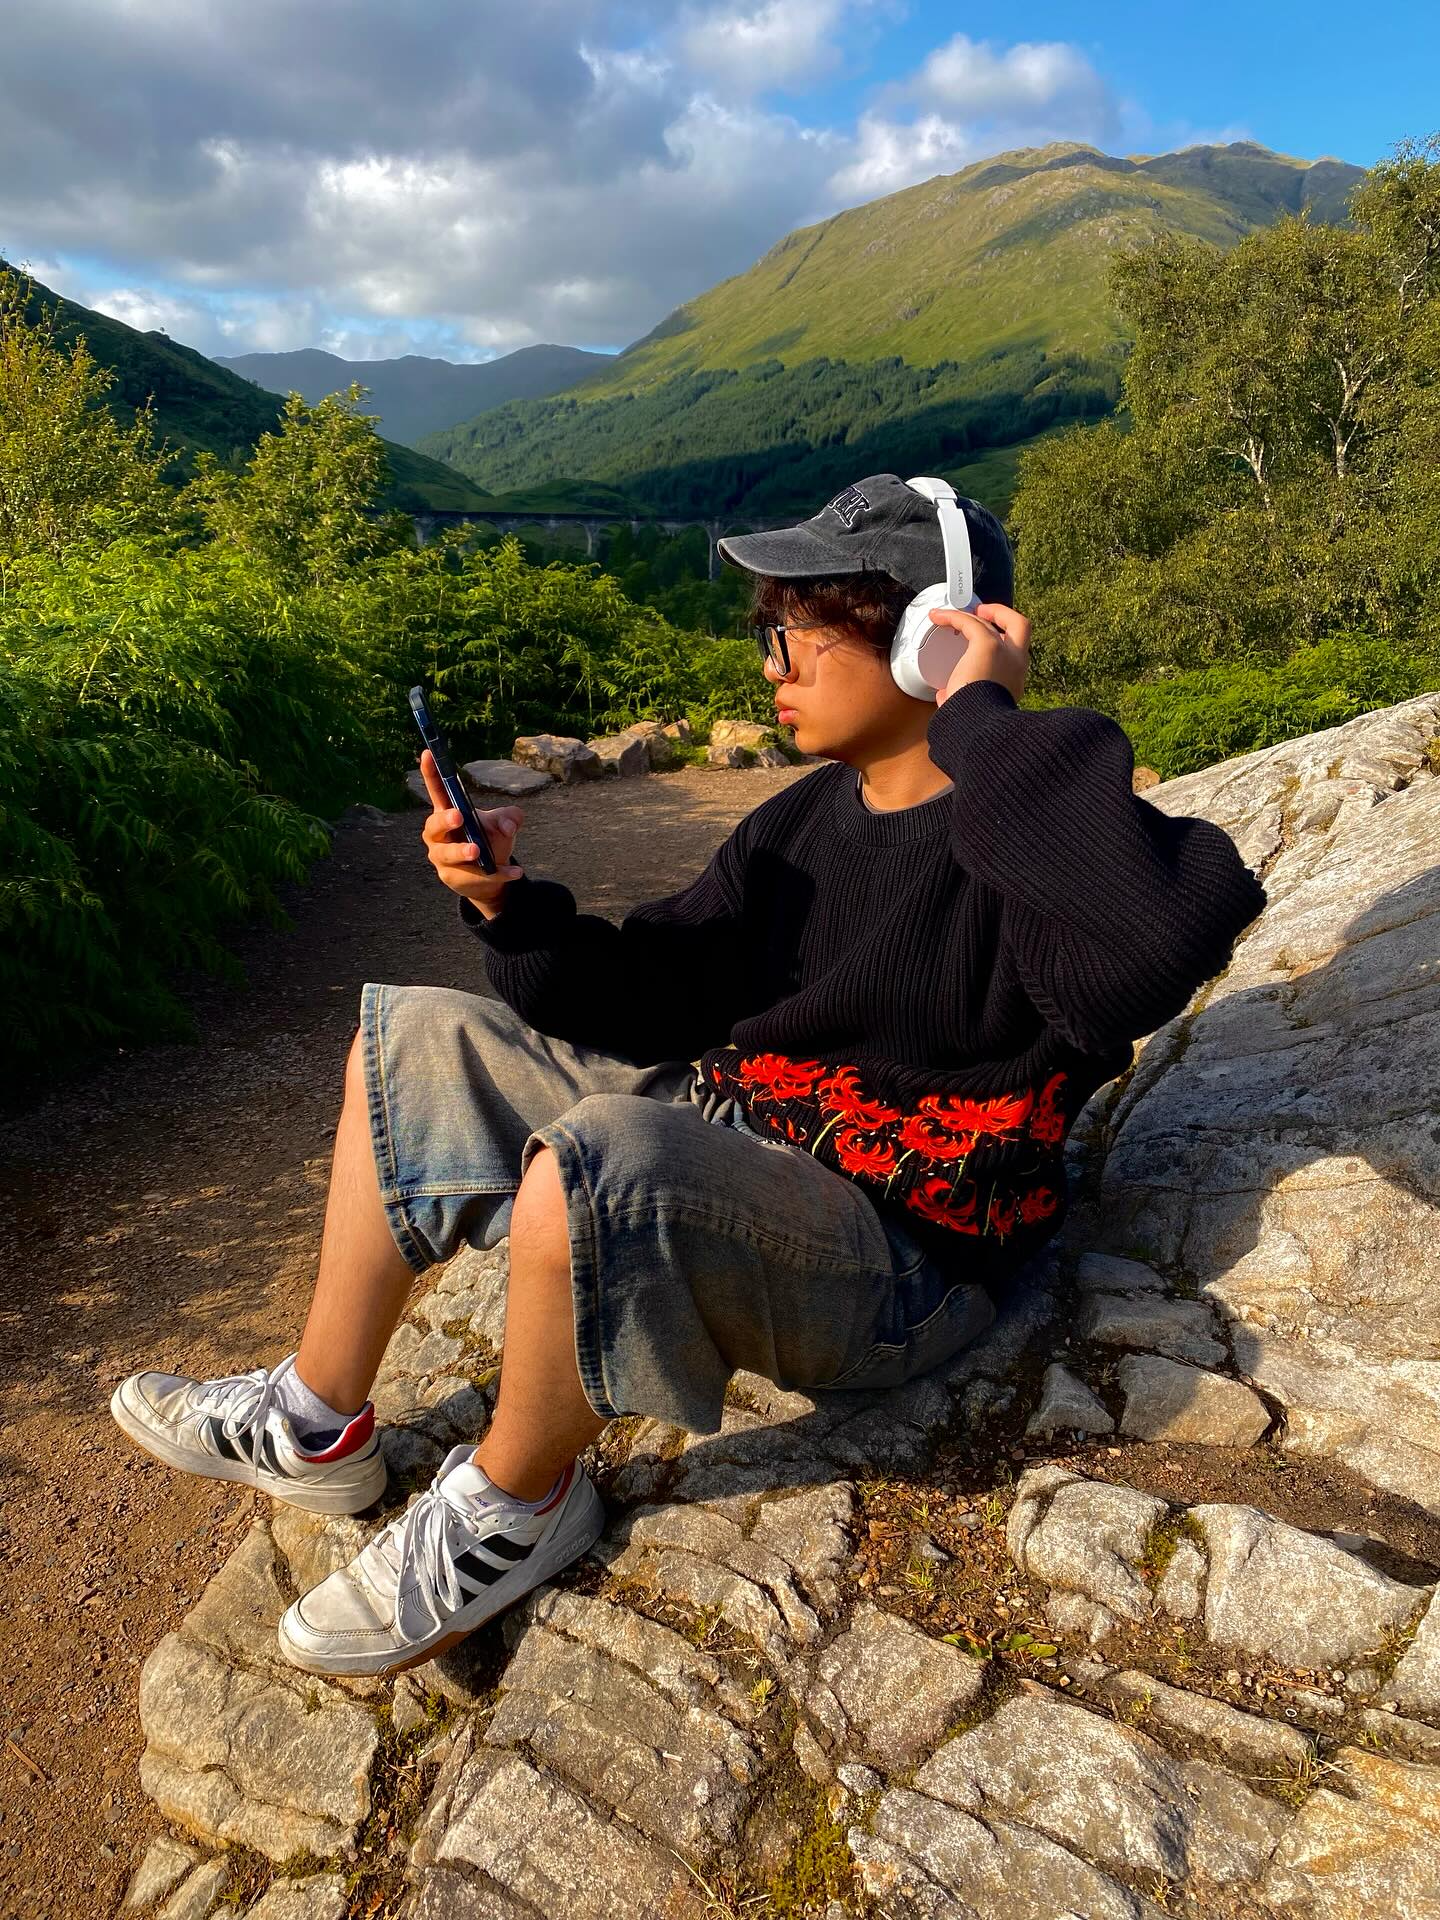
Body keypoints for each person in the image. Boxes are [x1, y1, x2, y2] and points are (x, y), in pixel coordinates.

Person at [110, 473, 1267, 1678]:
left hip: (902, 1261)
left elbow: (1148, 950)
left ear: (929, 638)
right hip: (750, 1151)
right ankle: (314, 1423)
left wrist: (984, 723)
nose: (770, 667)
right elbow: (655, 992)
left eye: (793, 636)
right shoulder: (800, 825)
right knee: (412, 1039)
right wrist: (511, 907)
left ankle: (521, 1500)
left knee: (602, 1161)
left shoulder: (1036, 812)